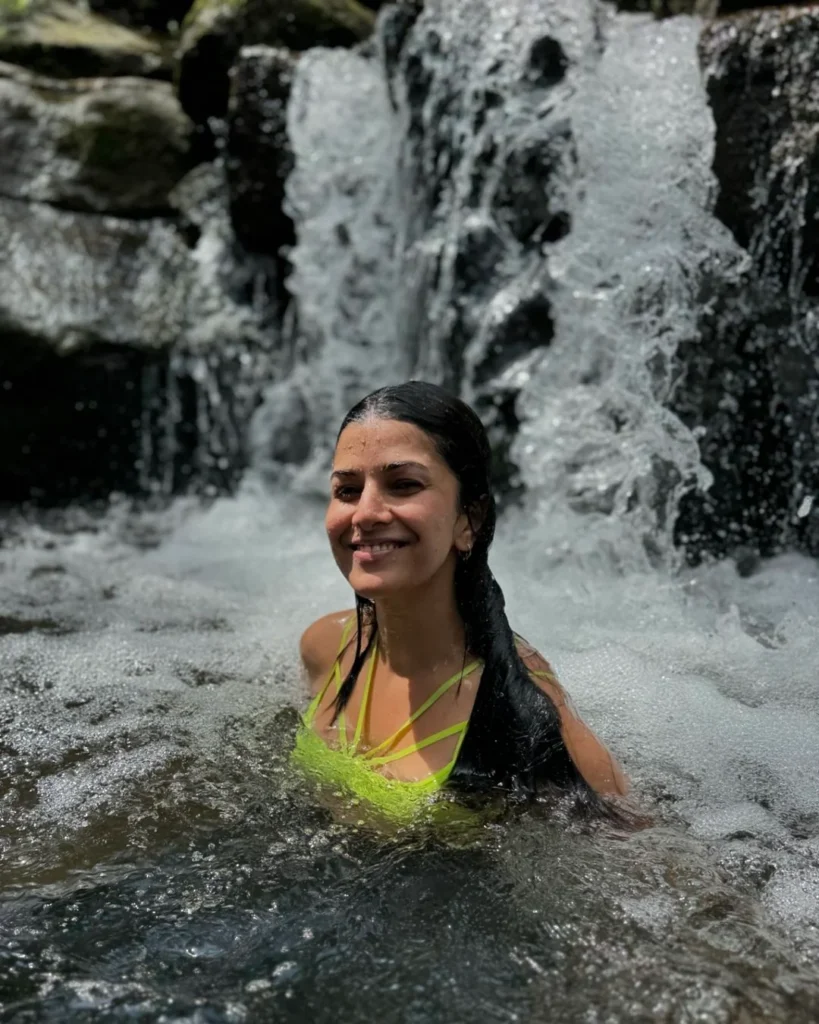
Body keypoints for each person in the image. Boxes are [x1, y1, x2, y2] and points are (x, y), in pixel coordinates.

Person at [293, 381, 628, 825]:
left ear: (468, 520)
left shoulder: (526, 718)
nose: (366, 513)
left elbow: (648, 858)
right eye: (347, 490)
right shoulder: (325, 647)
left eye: (404, 484)